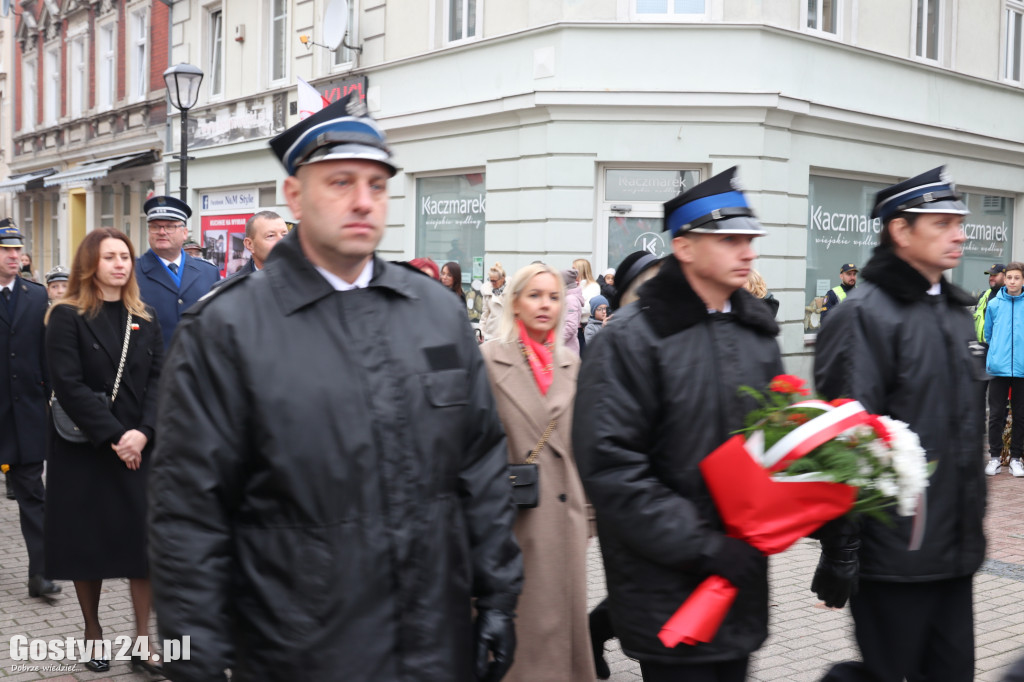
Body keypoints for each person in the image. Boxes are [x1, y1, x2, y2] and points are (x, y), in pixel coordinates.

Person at [149, 94, 523, 682]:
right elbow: (189, 507)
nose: (362, 201)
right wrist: (193, 651)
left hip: (435, 641)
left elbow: (478, 465)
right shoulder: (228, 327)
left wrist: (498, 596)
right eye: (341, 181)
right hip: (300, 649)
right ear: (295, 196)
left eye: (377, 185)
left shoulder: (433, 311)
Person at [574, 166, 782, 682]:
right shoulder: (630, 339)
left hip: (740, 588)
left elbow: (776, 447)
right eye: (731, 239)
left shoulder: (758, 334)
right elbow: (613, 469)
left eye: (750, 239)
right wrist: (706, 546)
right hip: (667, 595)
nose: (748, 251)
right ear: (685, 247)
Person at [814, 166, 986, 682]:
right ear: (900, 231)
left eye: (960, 222)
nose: (959, 234)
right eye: (942, 223)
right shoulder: (865, 314)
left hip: (954, 554)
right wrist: (841, 549)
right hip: (895, 559)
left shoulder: (954, 311)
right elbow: (846, 441)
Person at [44, 228, 164, 674]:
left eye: (126, 256)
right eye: (110, 256)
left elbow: (158, 380)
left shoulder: (145, 316)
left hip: (138, 447)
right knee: (86, 543)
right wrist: (117, 436)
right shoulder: (65, 315)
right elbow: (68, 386)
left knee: (143, 547)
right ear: (90, 263)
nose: (120, 264)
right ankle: (93, 632)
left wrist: (144, 433)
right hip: (86, 448)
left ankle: (142, 640)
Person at [480, 262, 596, 682]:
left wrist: (587, 519)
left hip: (563, 523)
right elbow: (477, 447)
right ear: (515, 302)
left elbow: (581, 447)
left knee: (560, 635)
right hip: (515, 523)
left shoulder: (571, 364)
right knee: (522, 637)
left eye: (553, 296)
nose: (545, 304)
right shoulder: (490, 361)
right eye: (534, 295)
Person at [0, 222, 61, 601]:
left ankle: (40, 573)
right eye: (5, 250)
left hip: (25, 418)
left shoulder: (36, 297)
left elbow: (47, 357)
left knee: (33, 499)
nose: (13, 256)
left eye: (16, 250)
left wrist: (51, 401)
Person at [135, 196, 220, 348]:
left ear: (184, 232)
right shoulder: (132, 273)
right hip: (152, 368)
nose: (162, 232)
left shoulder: (208, 272)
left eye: (170, 226)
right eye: (155, 226)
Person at [983, 261, 1024, 478]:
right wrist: (998, 351)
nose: (1013, 281)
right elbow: (988, 334)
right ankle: (995, 458)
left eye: (1017, 278)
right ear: (1005, 279)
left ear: (1023, 280)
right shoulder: (995, 304)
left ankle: (1016, 459)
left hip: (1022, 369)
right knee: (996, 415)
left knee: (1021, 415)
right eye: (1010, 278)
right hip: (999, 367)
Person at [216, 211, 289, 287]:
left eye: (284, 235)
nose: (282, 241)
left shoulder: (300, 280)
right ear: (249, 244)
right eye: (271, 236)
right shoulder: (229, 288)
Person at [573, 258, 601, 352]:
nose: (571, 271)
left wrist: (573, 308)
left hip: (586, 327)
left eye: (574, 268)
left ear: (581, 270)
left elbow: (589, 308)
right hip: (574, 326)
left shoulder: (593, 286)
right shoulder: (574, 285)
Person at [975, 263, 1006, 342]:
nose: (991, 278)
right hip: (981, 348)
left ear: (1005, 277)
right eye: (990, 275)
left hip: (1000, 349)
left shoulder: (1011, 298)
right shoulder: (984, 296)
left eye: (995, 275)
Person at [479, 262, 507, 342]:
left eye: (494, 281)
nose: (492, 283)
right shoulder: (487, 292)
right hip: (491, 333)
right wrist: (481, 332)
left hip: (506, 334)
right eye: (490, 280)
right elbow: (484, 314)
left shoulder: (510, 291)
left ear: (502, 279)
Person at [562, 268, 584, 355]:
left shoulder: (570, 299)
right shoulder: (568, 297)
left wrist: (555, 340)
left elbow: (570, 326)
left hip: (568, 349)